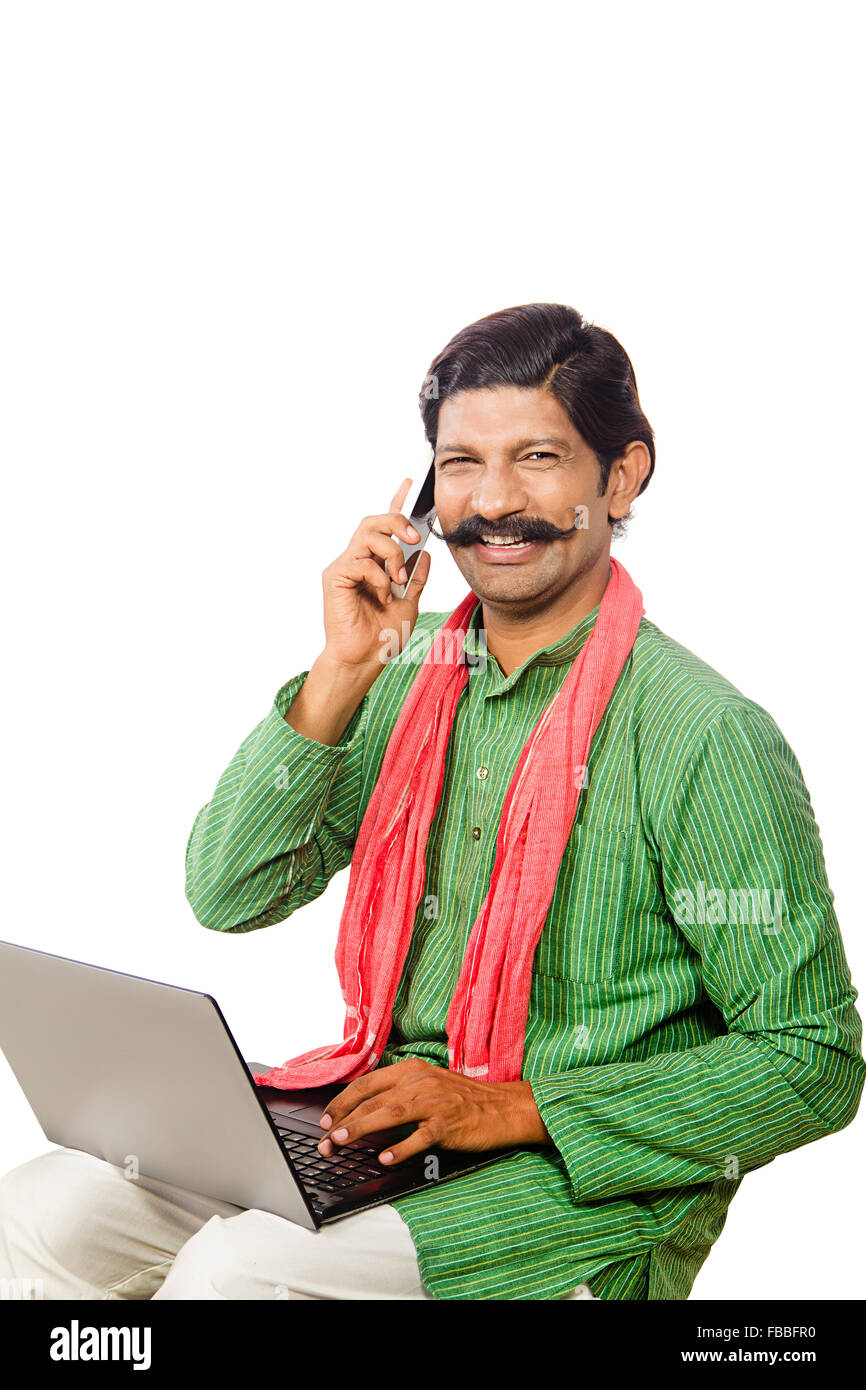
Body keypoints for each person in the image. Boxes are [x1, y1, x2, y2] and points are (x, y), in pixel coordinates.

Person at [1, 303, 863, 1301]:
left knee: (241, 1276)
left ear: (619, 475)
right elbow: (228, 891)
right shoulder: (408, 678)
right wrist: (339, 670)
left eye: (536, 456)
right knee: (41, 1211)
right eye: (460, 464)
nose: (494, 501)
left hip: (576, 1182)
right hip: (379, 1119)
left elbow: (810, 1060)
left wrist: (512, 1105)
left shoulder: (701, 732)